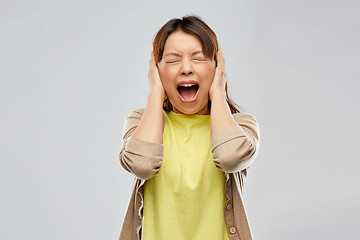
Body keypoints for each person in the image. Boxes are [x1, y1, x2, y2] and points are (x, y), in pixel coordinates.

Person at [118, 15, 260, 240]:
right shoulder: (139, 121)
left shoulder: (242, 126)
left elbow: (230, 157)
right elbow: (141, 164)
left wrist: (217, 92)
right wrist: (156, 93)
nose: (186, 69)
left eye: (199, 58)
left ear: (217, 66)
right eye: (173, 60)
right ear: (156, 70)